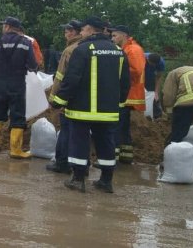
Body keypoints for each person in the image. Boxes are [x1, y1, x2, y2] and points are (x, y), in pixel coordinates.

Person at [51, 16, 130, 193]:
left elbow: (71, 79)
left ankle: (78, 180)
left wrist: (58, 101)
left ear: (92, 30)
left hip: (82, 109)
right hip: (108, 111)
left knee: (79, 141)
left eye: (84, 29)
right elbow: (125, 82)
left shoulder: (83, 50)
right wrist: (118, 103)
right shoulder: (118, 51)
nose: (82, 33)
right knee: (106, 142)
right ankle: (106, 181)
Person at [0, 16, 38, 158]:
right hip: (17, 84)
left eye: (4, 25)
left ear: (8, 27)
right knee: (17, 115)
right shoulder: (26, 43)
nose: (2, 28)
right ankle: (15, 150)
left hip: (0, 83)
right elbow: (33, 66)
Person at [161, 65, 193, 177]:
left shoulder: (173, 73)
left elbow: (168, 95)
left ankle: (170, 164)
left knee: (178, 132)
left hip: (188, 99)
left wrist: (171, 114)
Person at [46, 20, 83, 174]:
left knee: (65, 129)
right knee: (79, 132)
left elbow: (60, 77)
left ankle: (62, 163)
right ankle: (79, 166)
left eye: (67, 31)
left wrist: (54, 99)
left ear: (74, 32)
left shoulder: (70, 50)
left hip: (67, 97)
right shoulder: (87, 47)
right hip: (82, 98)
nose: (65, 34)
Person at [110, 25, 146, 164]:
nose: (112, 39)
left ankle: (112, 157)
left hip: (129, 94)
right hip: (127, 93)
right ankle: (125, 156)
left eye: (114, 36)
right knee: (123, 126)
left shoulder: (133, 49)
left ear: (124, 36)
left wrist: (114, 70)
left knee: (117, 125)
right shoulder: (126, 49)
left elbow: (136, 71)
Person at [145, 52, 165, 118]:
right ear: (147, 59)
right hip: (140, 78)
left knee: (154, 97)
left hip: (151, 80)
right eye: (151, 63)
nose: (153, 65)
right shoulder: (141, 58)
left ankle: (157, 116)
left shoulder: (160, 63)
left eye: (154, 64)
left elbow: (158, 77)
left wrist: (156, 92)